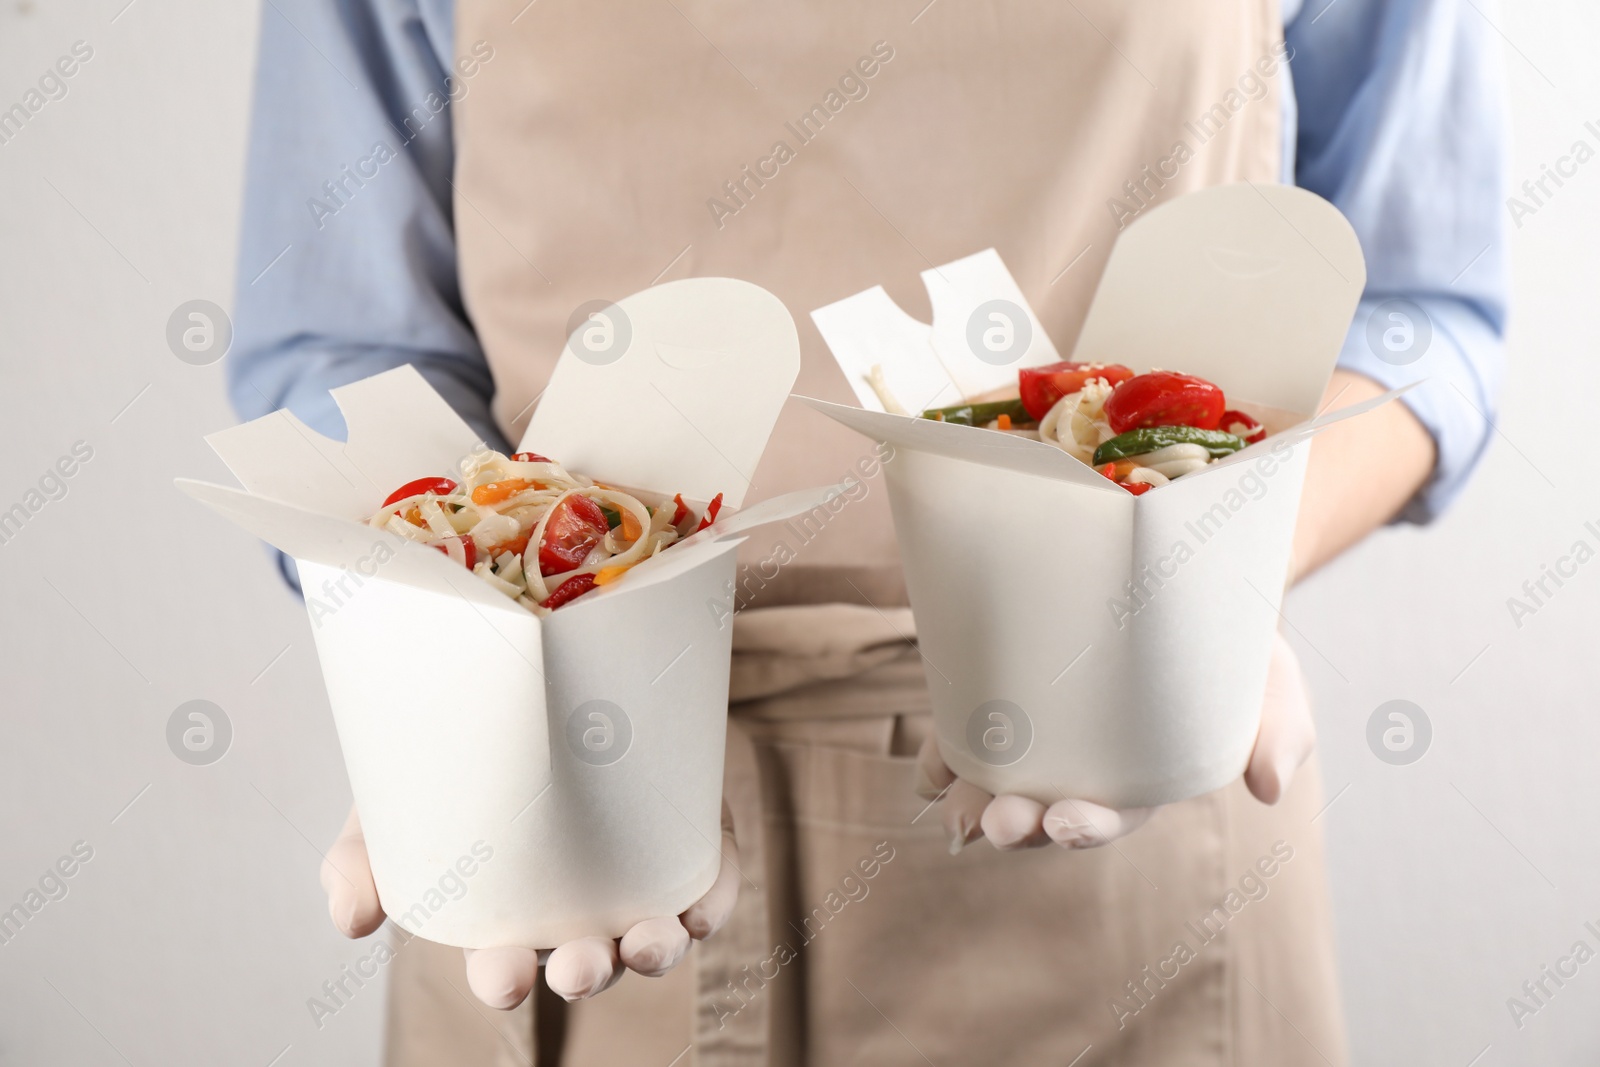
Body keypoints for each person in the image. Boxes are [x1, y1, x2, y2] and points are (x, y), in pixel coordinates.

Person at [231, 0, 1505, 1062]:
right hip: (541, 824)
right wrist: (447, 695)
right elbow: (348, 346)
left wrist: (1198, 579)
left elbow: (1421, 314)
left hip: (1130, 844)